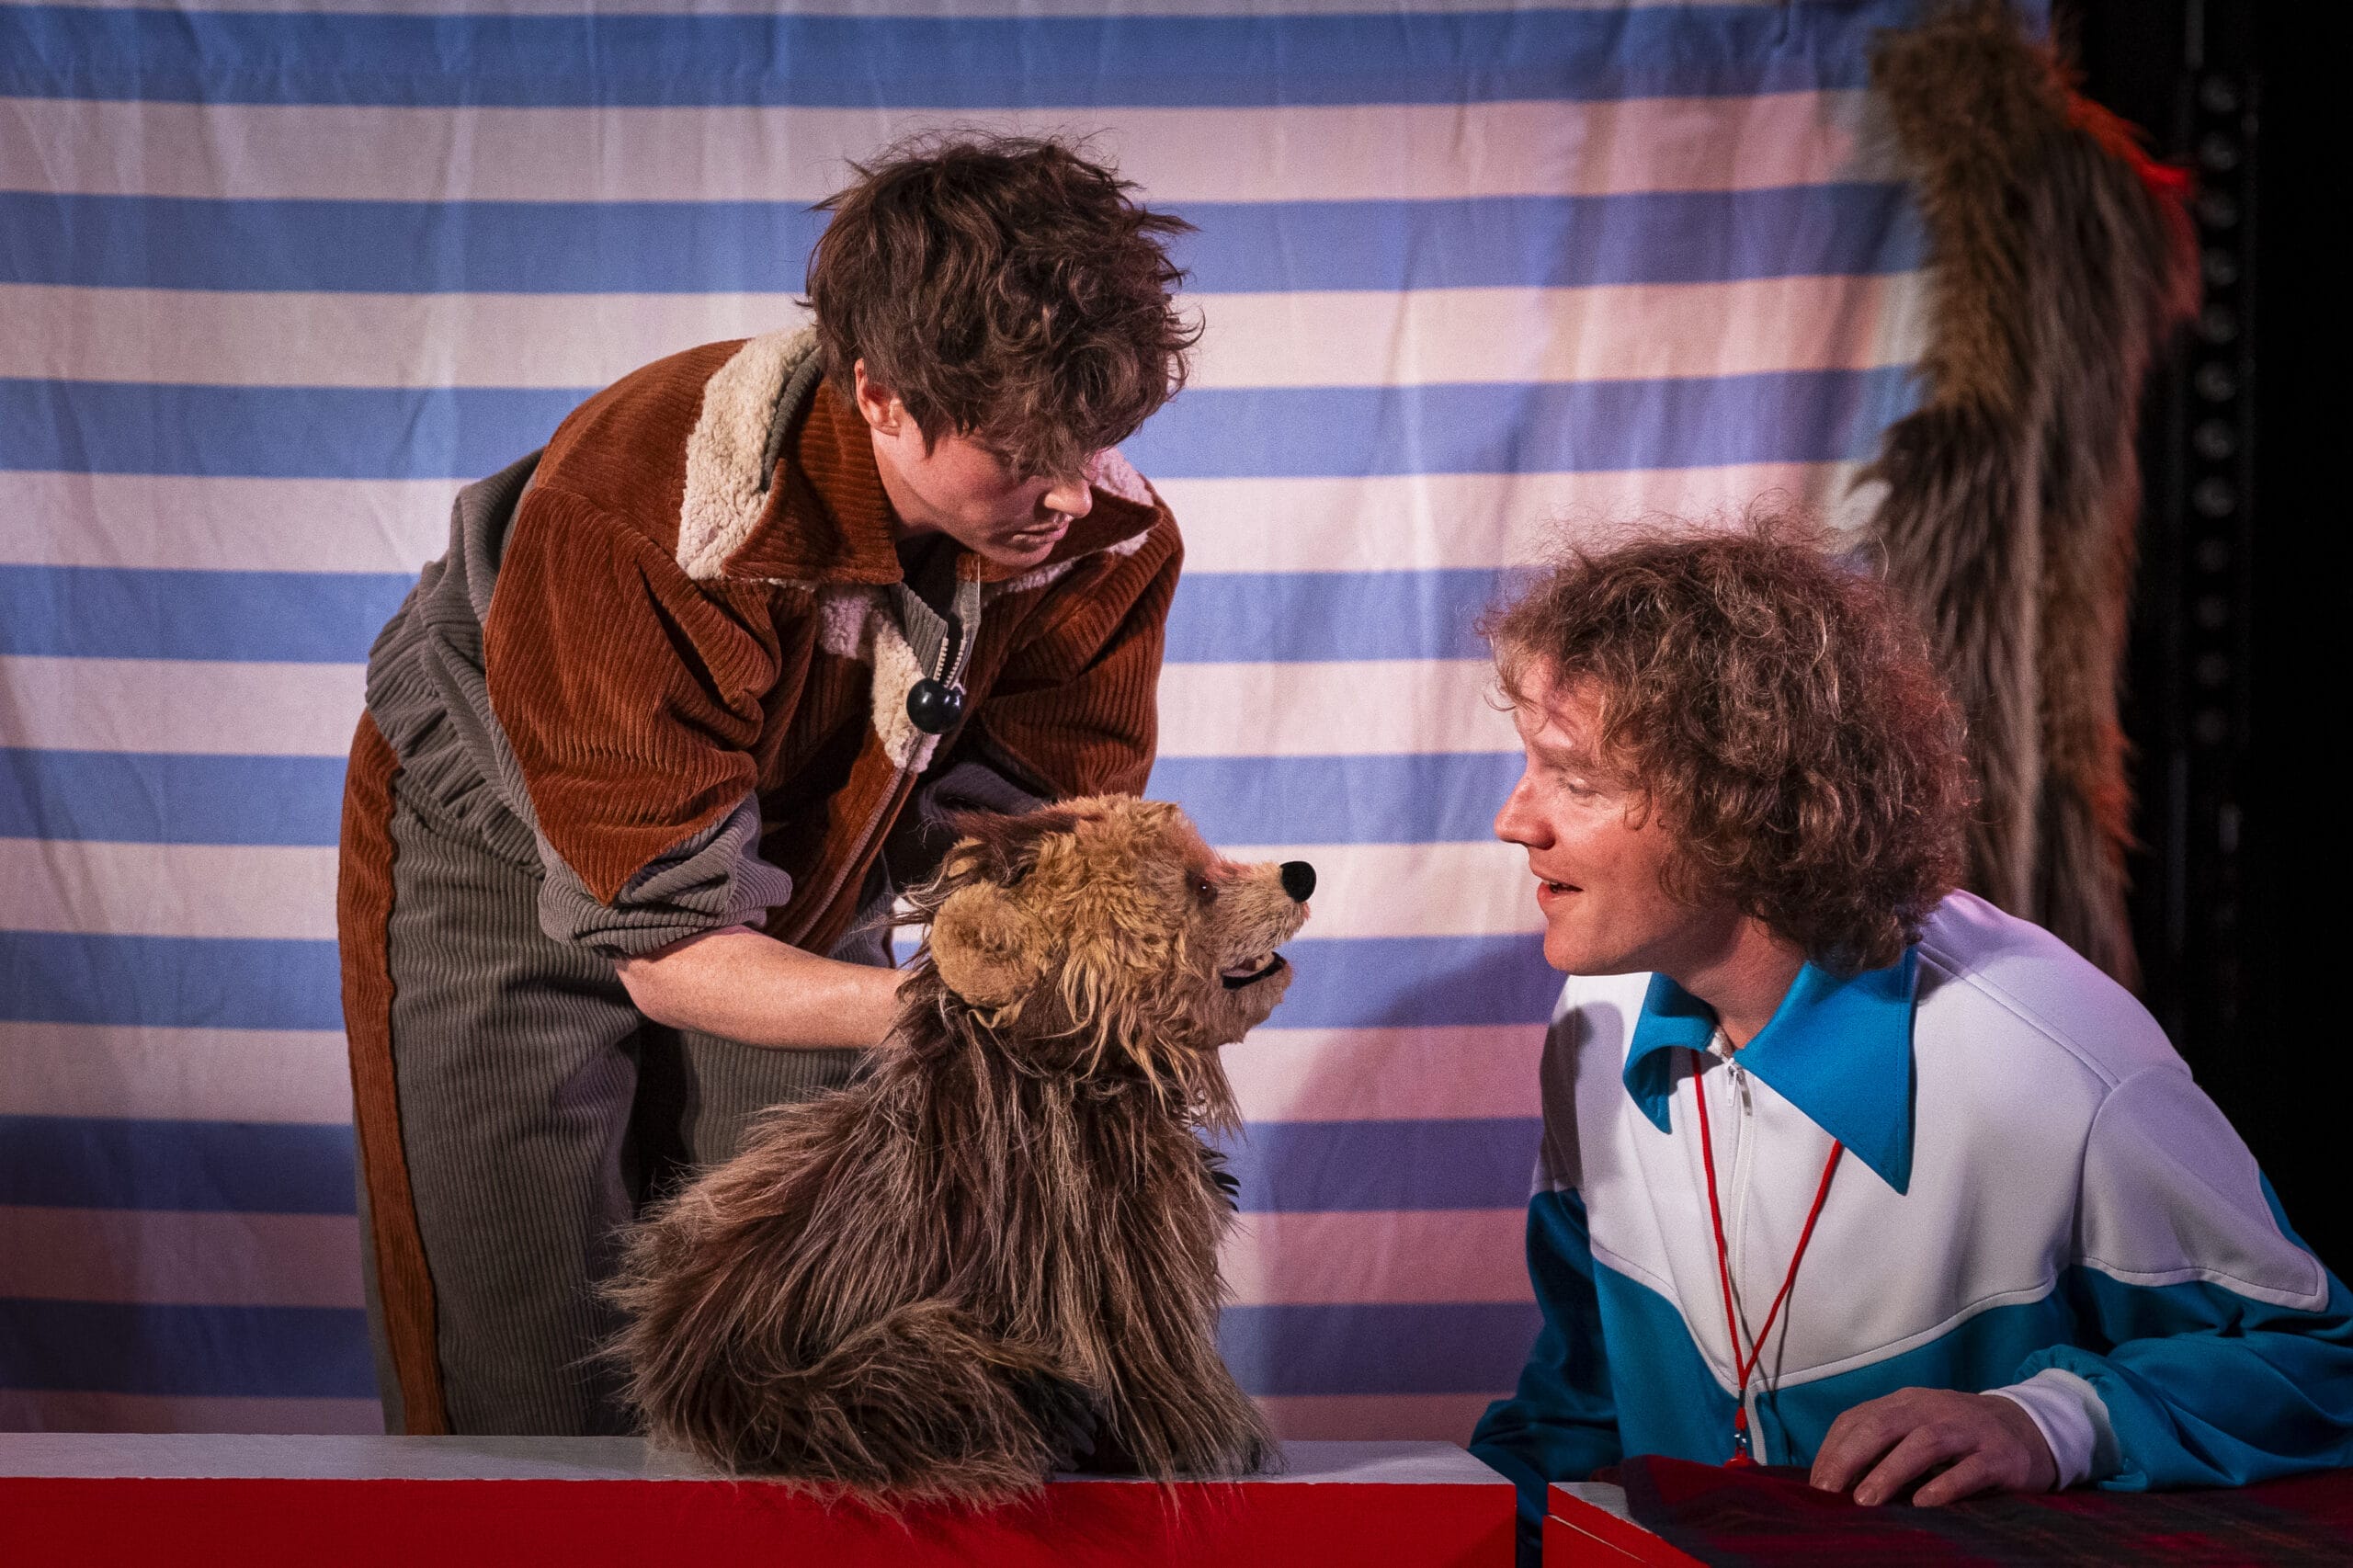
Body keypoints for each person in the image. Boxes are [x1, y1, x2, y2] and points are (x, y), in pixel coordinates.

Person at [336, 136, 1196, 1436]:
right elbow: (675, 953)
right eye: (1023, 452)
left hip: (824, 850)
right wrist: (962, 1010)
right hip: (498, 850)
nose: (1073, 493)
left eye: (1096, 438)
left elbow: (1018, 846)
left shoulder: (1097, 536)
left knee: (804, 1310)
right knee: (518, 1334)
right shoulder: (645, 507)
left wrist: (1106, 944)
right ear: (880, 396)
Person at [1466, 521, 2353, 1553]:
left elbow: (2320, 1357)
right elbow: (1578, 1407)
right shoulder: (1595, 1020)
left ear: (1741, 798)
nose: (1512, 818)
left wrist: (2044, 1419)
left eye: (1574, 778)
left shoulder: (2054, 1064)